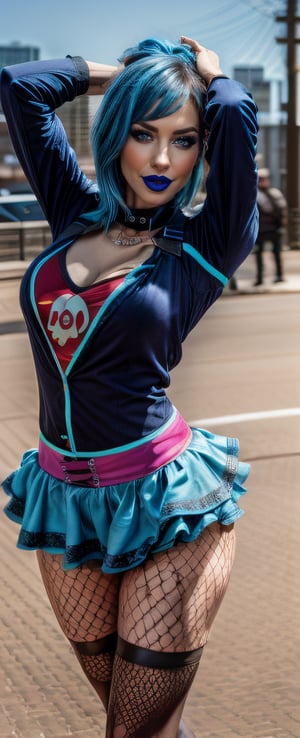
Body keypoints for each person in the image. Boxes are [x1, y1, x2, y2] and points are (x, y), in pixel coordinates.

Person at [0, 35, 258, 738]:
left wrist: (208, 77)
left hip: (165, 505)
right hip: (66, 507)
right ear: (117, 133)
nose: (164, 160)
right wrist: (135, 73)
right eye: (144, 133)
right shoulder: (72, 212)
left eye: (185, 139)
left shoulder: (205, 245)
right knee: (148, 726)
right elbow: (21, 87)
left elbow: (235, 114)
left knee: (131, 732)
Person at [254, 168, 287, 286]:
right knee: (258, 254)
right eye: (260, 179)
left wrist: (280, 225)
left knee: (277, 252)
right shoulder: (254, 195)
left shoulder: (274, 193)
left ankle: (279, 275)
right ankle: (259, 278)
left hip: (274, 229)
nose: (262, 181)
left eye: (263, 179)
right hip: (260, 230)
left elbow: (281, 210)